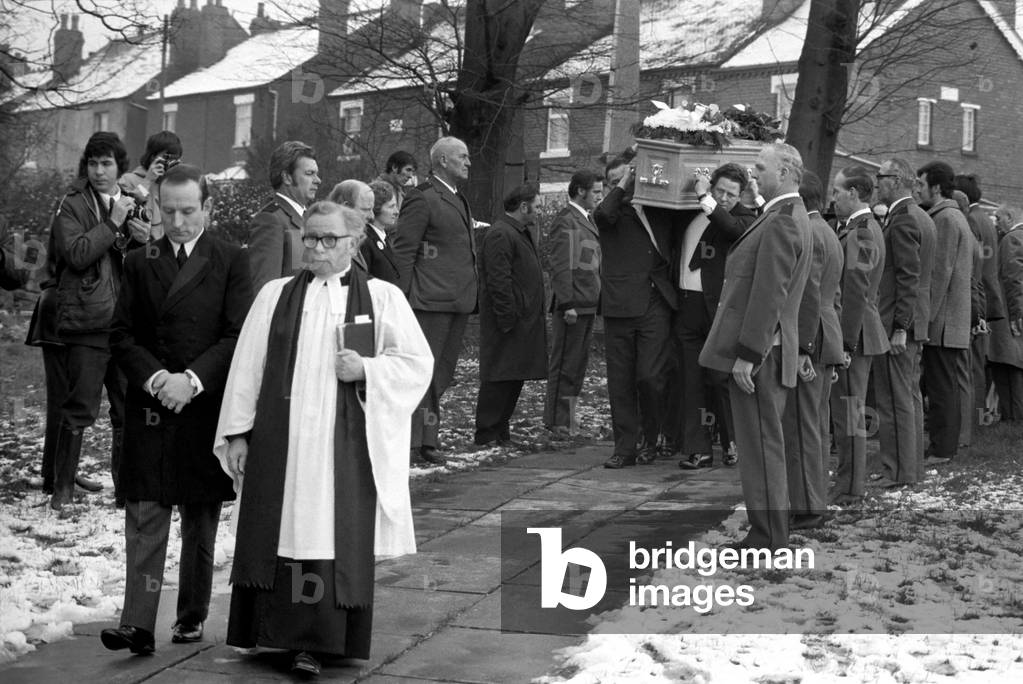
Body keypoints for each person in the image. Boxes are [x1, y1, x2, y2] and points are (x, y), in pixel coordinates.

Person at [213, 202, 433, 677]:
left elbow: (418, 364)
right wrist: (237, 433)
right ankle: (268, 634)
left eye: (328, 239)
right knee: (281, 526)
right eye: (310, 237)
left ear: (353, 244)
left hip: (340, 450)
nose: (314, 247)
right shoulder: (275, 296)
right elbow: (247, 368)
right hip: (282, 445)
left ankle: (318, 642)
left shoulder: (382, 298)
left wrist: (367, 369)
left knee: (326, 533)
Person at [102, 164, 252, 655]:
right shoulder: (139, 261)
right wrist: (156, 379)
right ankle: (137, 623)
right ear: (155, 208)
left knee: (199, 516)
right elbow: (121, 334)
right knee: (146, 512)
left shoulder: (231, 259)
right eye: (168, 212)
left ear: (208, 207)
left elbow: (237, 337)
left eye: (189, 211)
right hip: (151, 404)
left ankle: (191, 615)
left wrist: (191, 381)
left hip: (203, 405)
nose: (179, 221)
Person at [699, 141, 812, 550]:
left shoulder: (783, 219)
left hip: (761, 353)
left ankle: (767, 536)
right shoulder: (786, 215)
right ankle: (769, 532)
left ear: (784, 172)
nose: (753, 173)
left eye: (760, 167)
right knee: (765, 445)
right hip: (770, 349)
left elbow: (770, 294)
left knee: (761, 448)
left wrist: (748, 355)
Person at [45, 131, 148, 509]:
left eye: (107, 163)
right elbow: (75, 254)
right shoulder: (72, 204)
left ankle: (125, 492)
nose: (99, 171)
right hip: (88, 322)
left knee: (126, 411)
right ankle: (62, 492)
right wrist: (112, 224)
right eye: (93, 163)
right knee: (80, 408)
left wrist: (143, 239)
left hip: (125, 325)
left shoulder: (134, 201)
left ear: (121, 167)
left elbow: (148, 264)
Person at [392, 136, 478, 466]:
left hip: (455, 301)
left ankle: (426, 439)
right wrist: (402, 301)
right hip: (429, 302)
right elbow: (404, 252)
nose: (468, 162)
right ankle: (415, 444)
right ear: (442, 160)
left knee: (439, 376)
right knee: (422, 375)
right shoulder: (423, 197)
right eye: (463, 156)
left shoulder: (455, 197)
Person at [594, 155, 678, 468]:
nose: (622, 186)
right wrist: (623, 182)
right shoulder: (609, 212)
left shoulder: (656, 209)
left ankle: (650, 437)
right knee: (620, 381)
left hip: (655, 303)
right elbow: (602, 215)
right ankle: (625, 447)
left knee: (650, 377)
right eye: (613, 182)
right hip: (619, 305)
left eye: (626, 179)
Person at [674, 162, 757, 470]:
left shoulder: (742, 218)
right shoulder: (691, 213)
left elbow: (733, 228)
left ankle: (732, 442)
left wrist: (705, 199)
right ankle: (699, 449)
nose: (723, 198)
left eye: (731, 194)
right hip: (687, 305)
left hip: (718, 307)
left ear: (741, 196)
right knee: (692, 380)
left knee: (720, 379)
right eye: (718, 191)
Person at [784, 170, 843, 530]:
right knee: (816, 425)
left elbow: (808, 294)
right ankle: (813, 497)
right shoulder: (826, 231)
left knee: (804, 425)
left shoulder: (811, 233)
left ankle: (809, 504)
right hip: (825, 335)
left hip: (813, 338)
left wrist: (803, 348)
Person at [871, 158, 936, 488]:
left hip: (899, 325)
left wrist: (899, 327)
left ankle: (898, 472)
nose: (876, 182)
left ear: (895, 180)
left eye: (880, 177)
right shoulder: (918, 216)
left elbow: (908, 278)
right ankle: (909, 471)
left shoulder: (904, 219)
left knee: (895, 399)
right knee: (907, 397)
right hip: (910, 321)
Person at [827, 165, 889, 507]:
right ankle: (849, 480)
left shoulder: (863, 232)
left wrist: (846, 344)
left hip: (856, 334)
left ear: (854, 194)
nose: (833, 197)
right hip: (856, 332)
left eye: (838, 191)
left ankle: (851, 486)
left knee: (849, 412)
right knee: (847, 411)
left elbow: (855, 291)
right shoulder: (857, 229)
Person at [475, 183, 547, 446]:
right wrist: (508, 317)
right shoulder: (501, 234)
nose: (539, 211)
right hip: (507, 321)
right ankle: (486, 432)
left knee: (513, 376)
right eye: (537, 206)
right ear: (523, 206)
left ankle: (500, 429)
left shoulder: (517, 232)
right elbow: (498, 280)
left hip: (520, 319)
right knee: (499, 377)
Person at [916, 161, 973, 464]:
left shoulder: (946, 219)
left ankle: (941, 448)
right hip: (950, 319)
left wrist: (924, 319)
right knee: (943, 384)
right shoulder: (953, 216)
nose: (917, 188)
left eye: (921, 184)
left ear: (936, 188)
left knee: (941, 388)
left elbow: (940, 273)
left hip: (943, 321)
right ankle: (945, 445)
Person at [544, 170, 603, 437]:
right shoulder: (566, 221)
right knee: (566, 365)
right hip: (574, 305)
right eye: (597, 192)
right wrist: (566, 302)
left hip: (587, 303)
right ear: (581, 191)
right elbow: (560, 265)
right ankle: (558, 421)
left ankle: (568, 420)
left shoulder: (585, 219)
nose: (599, 198)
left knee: (577, 366)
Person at [955, 174, 1004, 431]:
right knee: (976, 366)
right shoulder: (984, 218)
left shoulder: (971, 220)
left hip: (977, 298)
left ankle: (971, 423)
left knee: (970, 366)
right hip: (986, 296)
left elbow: (974, 265)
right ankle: (978, 421)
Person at [248, 141, 321, 295]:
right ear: (287, 177)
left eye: (316, 173)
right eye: (309, 174)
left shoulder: (309, 218)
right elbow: (265, 290)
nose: (317, 180)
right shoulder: (271, 220)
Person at [989, 205, 1023, 420]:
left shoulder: (1012, 239)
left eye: (999, 218)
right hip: (1015, 309)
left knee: (1011, 363)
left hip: (1009, 313)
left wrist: (1016, 313)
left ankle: (1013, 418)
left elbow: (1013, 279)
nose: (996, 222)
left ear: (1010, 217)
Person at [118, 130, 183, 241]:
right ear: (152, 157)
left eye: (175, 159)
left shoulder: (174, 187)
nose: (170, 163)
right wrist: (148, 181)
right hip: (140, 249)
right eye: (167, 158)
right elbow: (125, 211)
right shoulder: (129, 180)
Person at [359, 180, 401, 283]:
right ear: (375, 208)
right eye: (391, 206)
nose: (397, 212)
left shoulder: (383, 238)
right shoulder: (365, 241)